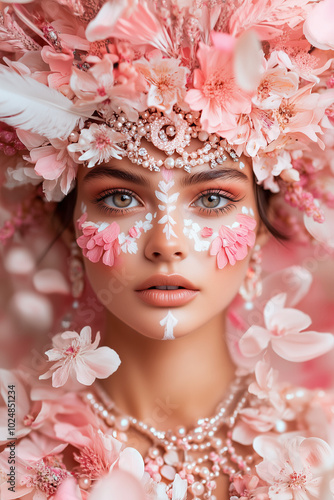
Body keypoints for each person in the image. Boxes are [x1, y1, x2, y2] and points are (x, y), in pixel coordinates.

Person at [1, 0, 334, 498]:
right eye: (119, 197)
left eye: (214, 198)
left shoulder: (320, 452)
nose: (167, 244)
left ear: (263, 230)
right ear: (71, 223)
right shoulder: (12, 442)